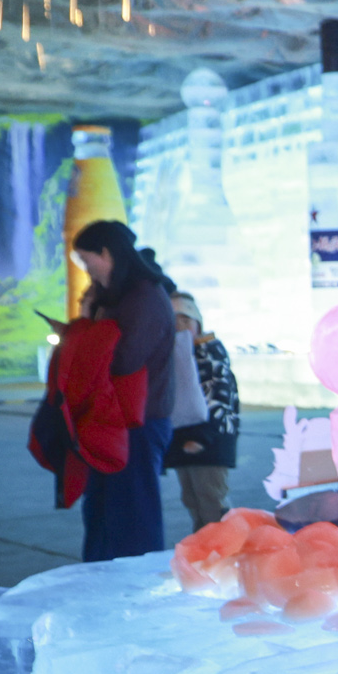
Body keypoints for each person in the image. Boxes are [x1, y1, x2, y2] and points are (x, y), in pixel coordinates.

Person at [63, 219, 175, 561]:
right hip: (113, 418)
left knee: (133, 514)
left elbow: (125, 359)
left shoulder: (144, 296)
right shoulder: (117, 295)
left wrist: (83, 340)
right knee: (102, 510)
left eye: (87, 259)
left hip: (138, 421)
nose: (85, 269)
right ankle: (101, 576)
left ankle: (134, 586)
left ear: (106, 253)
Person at [165, 293, 241, 528]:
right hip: (183, 440)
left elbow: (219, 397)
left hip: (209, 442)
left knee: (211, 501)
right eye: (174, 320)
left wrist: (203, 437)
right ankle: (203, 554)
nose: (180, 326)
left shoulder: (210, 352)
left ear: (198, 324)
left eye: (186, 321)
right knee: (192, 499)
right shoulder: (176, 354)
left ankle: (223, 554)